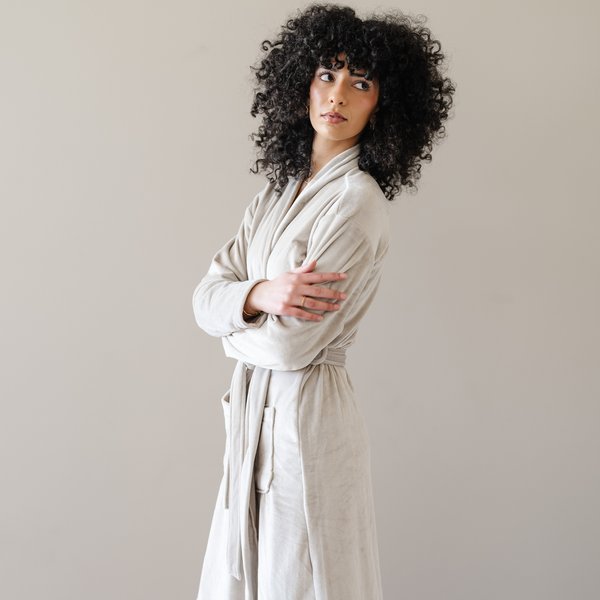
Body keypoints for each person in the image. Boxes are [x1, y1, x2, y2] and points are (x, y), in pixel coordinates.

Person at [193, 5, 454, 599]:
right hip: (254, 420)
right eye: (327, 75)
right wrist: (260, 294)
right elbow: (203, 297)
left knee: (303, 580)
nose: (337, 95)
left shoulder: (356, 204)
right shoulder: (275, 192)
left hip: (307, 422)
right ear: (302, 83)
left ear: (383, 104)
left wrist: (232, 320)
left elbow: (289, 347)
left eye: (360, 83)